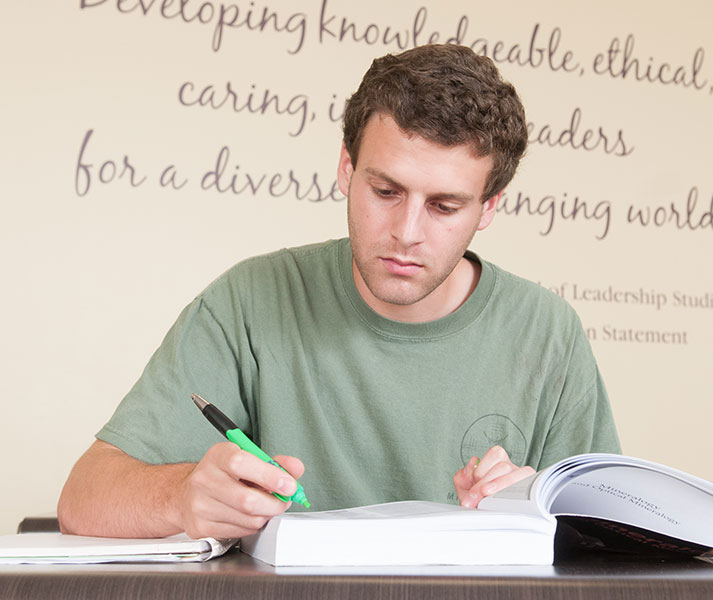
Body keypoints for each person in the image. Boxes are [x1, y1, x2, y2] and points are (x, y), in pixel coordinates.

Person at [57, 44, 620, 540]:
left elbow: (619, 539)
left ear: (490, 206)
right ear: (346, 169)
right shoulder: (251, 301)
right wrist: (182, 495)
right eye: (385, 190)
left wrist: (535, 511)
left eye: (445, 207)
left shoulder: (548, 331)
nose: (406, 232)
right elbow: (84, 498)